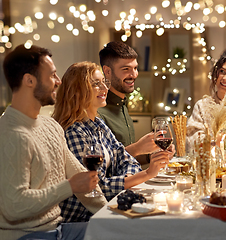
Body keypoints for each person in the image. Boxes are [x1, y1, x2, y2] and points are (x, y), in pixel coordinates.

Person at [0, 45, 107, 240]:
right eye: (52, 75)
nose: (58, 82)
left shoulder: (50, 126)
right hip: (27, 236)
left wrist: (111, 215)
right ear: (29, 80)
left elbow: (81, 177)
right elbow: (13, 206)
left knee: (122, 233)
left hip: (58, 230)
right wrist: (69, 187)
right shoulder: (11, 135)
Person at [53, 61, 170, 222]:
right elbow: (97, 188)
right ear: (78, 91)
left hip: (104, 210)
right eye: (96, 84)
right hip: (83, 219)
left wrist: (128, 175)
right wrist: (148, 173)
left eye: (104, 82)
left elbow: (126, 159)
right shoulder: (74, 132)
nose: (105, 88)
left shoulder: (99, 124)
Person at [98, 41, 169, 167]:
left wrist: (151, 155)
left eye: (135, 68)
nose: (134, 75)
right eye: (126, 69)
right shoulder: (98, 112)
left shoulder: (123, 107)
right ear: (107, 71)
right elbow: (103, 165)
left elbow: (127, 159)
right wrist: (137, 148)